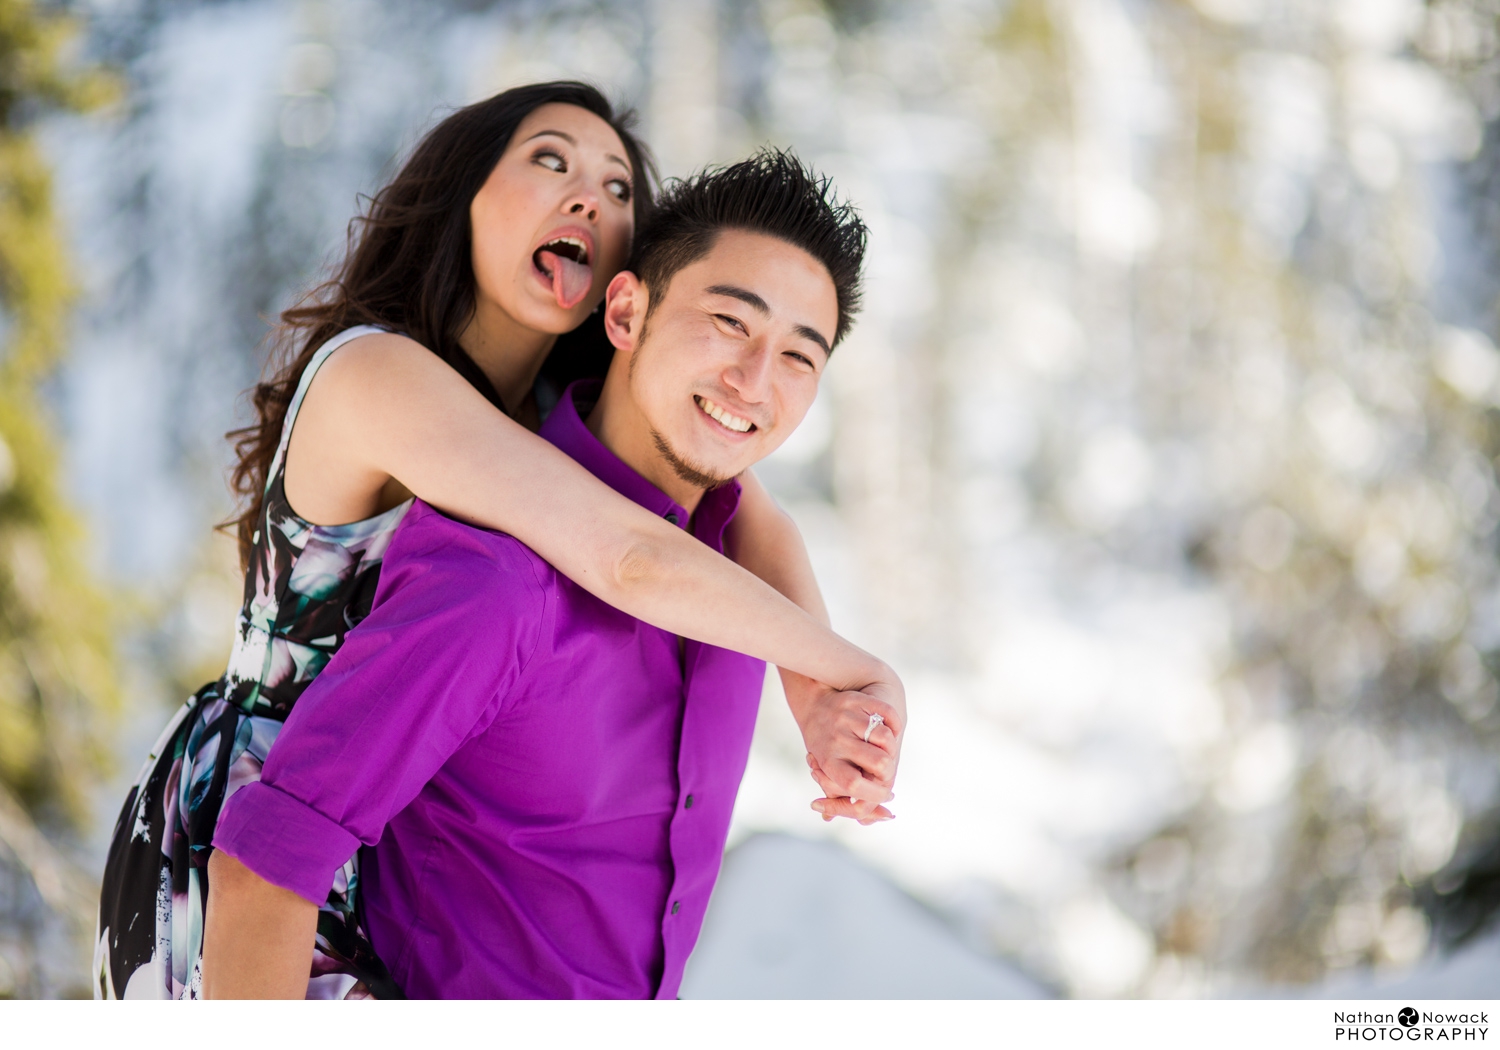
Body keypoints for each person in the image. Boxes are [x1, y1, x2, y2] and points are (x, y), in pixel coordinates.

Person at [94, 83, 902, 1001]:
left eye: (620, 189)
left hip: (381, 827)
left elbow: (754, 515)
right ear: (462, 193)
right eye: (551, 161)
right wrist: (854, 671)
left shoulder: (560, 421)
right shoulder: (385, 377)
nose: (590, 201)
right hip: (252, 813)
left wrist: (824, 697)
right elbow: (624, 559)